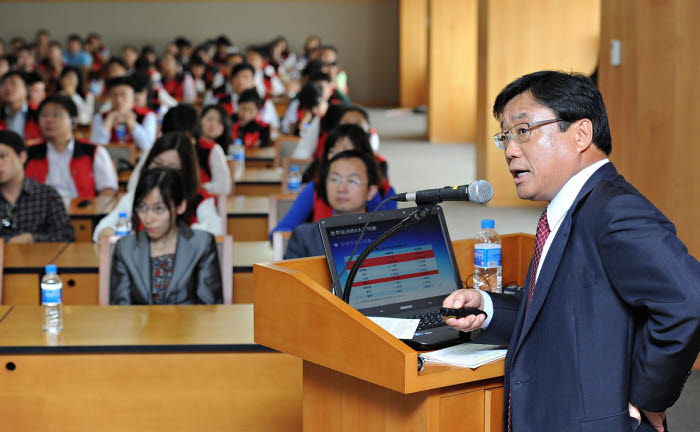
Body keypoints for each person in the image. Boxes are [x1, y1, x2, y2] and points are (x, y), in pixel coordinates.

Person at [441, 71, 700, 432]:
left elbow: (689, 298)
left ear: (581, 133)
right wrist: (487, 308)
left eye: (524, 131)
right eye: (506, 137)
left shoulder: (614, 209)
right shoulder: (567, 208)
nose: (511, 150)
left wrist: (649, 395)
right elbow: (565, 314)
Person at [110, 167, 222, 305]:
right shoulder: (125, 248)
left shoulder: (202, 244)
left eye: (159, 209)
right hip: (140, 326)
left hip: (189, 326)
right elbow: (121, 312)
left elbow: (209, 309)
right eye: (142, 208)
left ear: (180, 206)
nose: (148, 218)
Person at [93, 132, 223, 242]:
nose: (163, 172)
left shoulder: (200, 198)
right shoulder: (137, 196)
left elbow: (215, 230)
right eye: (158, 164)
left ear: (186, 171)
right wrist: (120, 239)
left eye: (173, 167)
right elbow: (101, 230)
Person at [272, 124, 396, 236]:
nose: (338, 157)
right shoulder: (315, 188)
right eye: (333, 151)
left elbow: (390, 236)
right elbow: (279, 233)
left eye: (347, 150)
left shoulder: (383, 192)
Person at [285, 149, 379, 259]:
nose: (341, 189)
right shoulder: (305, 237)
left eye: (352, 181)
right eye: (335, 179)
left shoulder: (387, 235)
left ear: (371, 191)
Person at [127, 105, 231, 196]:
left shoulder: (210, 149)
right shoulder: (156, 148)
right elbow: (133, 186)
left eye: (186, 139)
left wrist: (191, 189)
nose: (179, 145)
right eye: (173, 139)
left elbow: (224, 187)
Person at [27, 95, 117, 199]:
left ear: (74, 121)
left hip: (82, 213)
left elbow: (107, 192)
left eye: (56, 115)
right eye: (44, 115)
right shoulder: (29, 154)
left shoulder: (93, 152)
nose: (49, 120)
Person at [0, 130, 74, 243]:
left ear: (22, 157)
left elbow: (66, 237)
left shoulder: (47, 196)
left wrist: (33, 239)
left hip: (41, 259)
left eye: (2, 156)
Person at [90, 76, 157, 151]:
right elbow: (95, 147)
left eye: (123, 95)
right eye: (114, 95)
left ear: (133, 97)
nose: (118, 100)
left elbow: (147, 146)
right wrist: (110, 119)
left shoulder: (148, 116)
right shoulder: (100, 117)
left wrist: (131, 123)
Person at [0, 71, 42, 145]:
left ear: (26, 88)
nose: (8, 88)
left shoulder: (38, 113)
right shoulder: (1, 113)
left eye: (14, 83)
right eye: (4, 84)